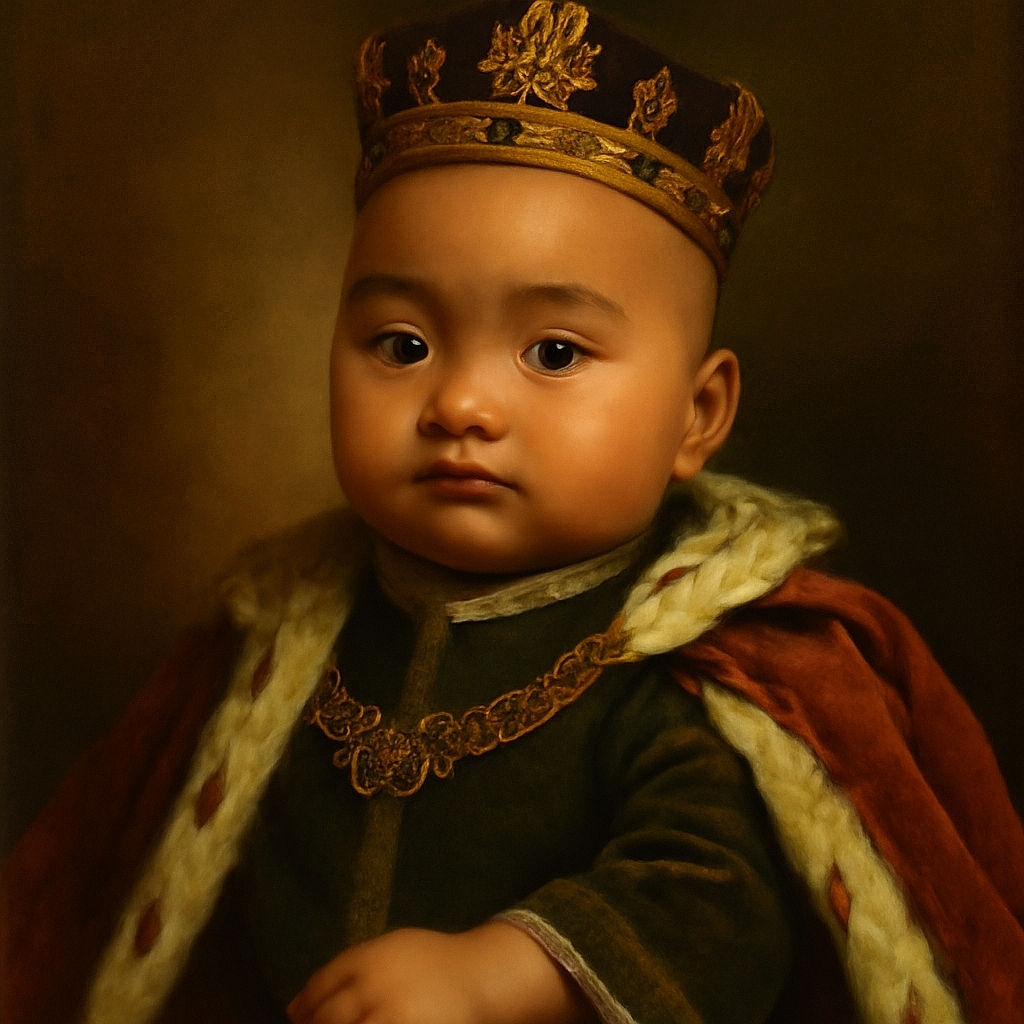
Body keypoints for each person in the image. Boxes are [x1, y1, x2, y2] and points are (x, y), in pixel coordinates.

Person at [2, 2, 1022, 1023]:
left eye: (553, 353)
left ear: (696, 415)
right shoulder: (272, 647)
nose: (459, 405)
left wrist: (499, 973)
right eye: (402, 345)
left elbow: (713, 898)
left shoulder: (700, 670)